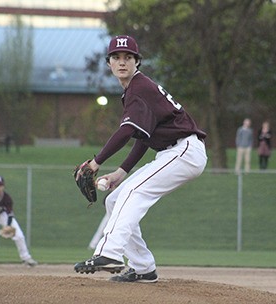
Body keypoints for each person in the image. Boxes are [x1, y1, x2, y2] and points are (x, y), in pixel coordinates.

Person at [74, 35, 207, 283]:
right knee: (114, 200)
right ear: (109, 63)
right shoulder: (137, 90)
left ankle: (108, 253)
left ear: (137, 62)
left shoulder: (139, 88)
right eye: (116, 57)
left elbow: (125, 131)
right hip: (176, 152)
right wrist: (121, 172)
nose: (122, 62)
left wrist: (95, 162)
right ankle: (143, 267)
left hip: (184, 150)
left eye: (128, 57)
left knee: (133, 192)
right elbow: (142, 136)